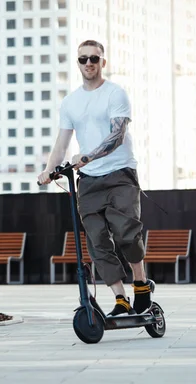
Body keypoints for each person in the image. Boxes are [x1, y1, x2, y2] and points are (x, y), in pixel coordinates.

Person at [37, 39, 154, 316]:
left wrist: (87, 156)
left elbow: (117, 136)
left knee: (126, 234)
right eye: (83, 59)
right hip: (88, 181)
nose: (88, 63)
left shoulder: (115, 94)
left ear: (103, 62)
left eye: (94, 58)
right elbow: (62, 142)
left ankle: (140, 283)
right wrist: (48, 169)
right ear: (78, 63)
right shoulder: (71, 102)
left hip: (120, 174)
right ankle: (120, 298)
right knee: (97, 241)